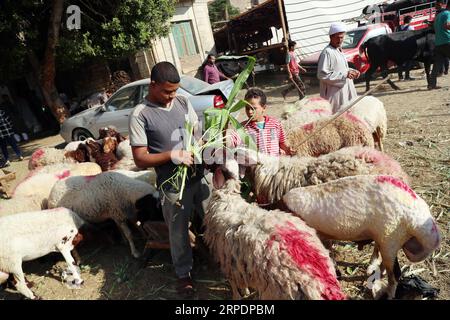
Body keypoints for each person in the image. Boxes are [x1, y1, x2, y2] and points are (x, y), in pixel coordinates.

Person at [128, 62, 211, 296]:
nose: (172, 95)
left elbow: (196, 134)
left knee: (213, 219)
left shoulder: (183, 102)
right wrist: (172, 155)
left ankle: (218, 255)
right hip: (172, 185)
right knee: (178, 231)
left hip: (198, 177)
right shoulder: (140, 115)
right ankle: (184, 273)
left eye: (175, 90)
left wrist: (205, 143)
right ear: (152, 86)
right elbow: (140, 158)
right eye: (167, 91)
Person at [231, 88, 294, 156]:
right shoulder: (242, 128)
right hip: (255, 165)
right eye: (247, 108)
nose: (250, 112)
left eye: (253, 108)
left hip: (274, 163)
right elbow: (233, 144)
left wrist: (287, 149)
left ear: (263, 108)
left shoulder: (274, 124)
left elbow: (280, 142)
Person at [317, 22, 360, 113]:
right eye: (337, 38)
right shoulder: (327, 52)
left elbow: (342, 69)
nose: (340, 40)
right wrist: (344, 75)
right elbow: (322, 74)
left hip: (345, 90)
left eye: (342, 37)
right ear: (331, 37)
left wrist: (352, 71)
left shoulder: (338, 50)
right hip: (334, 93)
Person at [429, 0, 450, 90]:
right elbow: (447, 25)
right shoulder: (447, 13)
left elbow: (434, 27)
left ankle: (431, 85)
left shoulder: (437, 16)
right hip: (447, 41)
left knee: (436, 65)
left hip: (438, 43)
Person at [0, 97, 24, 166]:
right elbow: (8, 120)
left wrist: (10, 127)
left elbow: (8, 120)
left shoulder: (1, 112)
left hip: (4, 133)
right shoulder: (1, 112)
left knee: (8, 145)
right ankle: (13, 157)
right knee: (8, 145)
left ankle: (13, 157)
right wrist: (10, 127)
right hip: (4, 133)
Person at [397, 16, 416, 81]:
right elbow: (413, 37)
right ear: (410, 21)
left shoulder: (398, 27)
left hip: (398, 46)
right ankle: (407, 77)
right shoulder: (410, 27)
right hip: (407, 46)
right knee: (408, 61)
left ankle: (400, 77)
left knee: (399, 62)